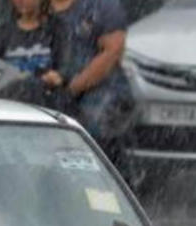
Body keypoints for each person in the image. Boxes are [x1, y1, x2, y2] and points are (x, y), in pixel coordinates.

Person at [48, 0, 136, 163]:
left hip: (100, 97)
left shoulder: (101, 6)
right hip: (49, 94)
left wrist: (72, 89)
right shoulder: (38, 8)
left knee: (95, 154)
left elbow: (112, 51)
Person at [0, 0, 68, 108]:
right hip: (9, 104)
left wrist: (56, 78)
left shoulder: (57, 29)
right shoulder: (2, 32)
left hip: (47, 105)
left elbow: (66, 68)